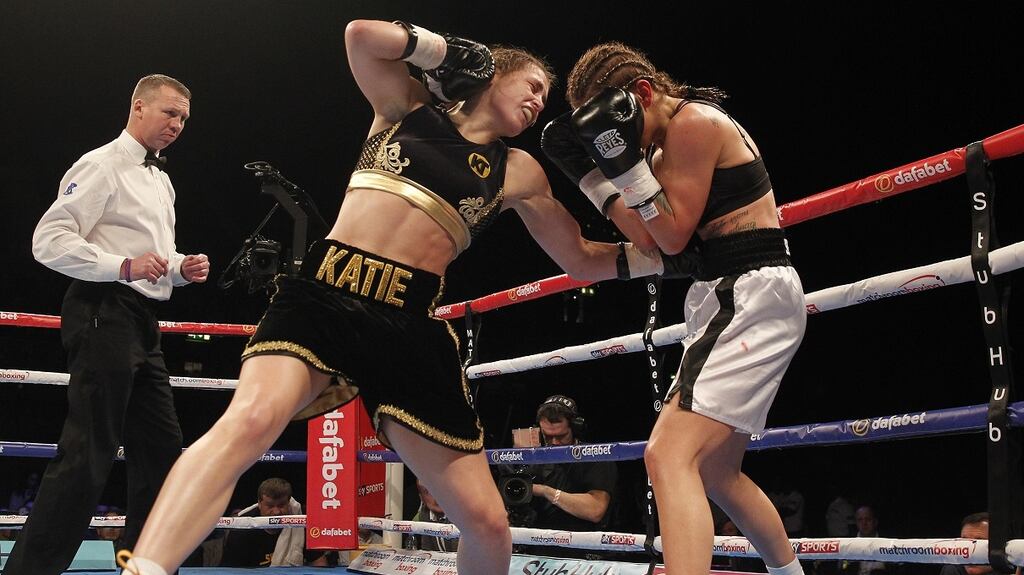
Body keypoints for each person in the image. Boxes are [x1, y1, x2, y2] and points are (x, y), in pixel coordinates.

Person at [118, 20, 688, 575]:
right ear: (494, 74)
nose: (541, 100)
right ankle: (146, 566)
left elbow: (581, 258)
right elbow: (360, 36)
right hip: (326, 295)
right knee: (248, 422)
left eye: (545, 95)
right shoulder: (408, 109)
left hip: (410, 327)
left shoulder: (519, 171)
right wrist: (445, 51)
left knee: (488, 523)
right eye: (533, 85)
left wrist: (665, 256)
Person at [541, 42, 807, 575]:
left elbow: (674, 230)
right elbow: (651, 236)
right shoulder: (660, 153)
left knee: (666, 454)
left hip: (746, 289)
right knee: (715, 471)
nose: (615, 144)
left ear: (642, 93)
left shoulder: (695, 124)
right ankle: (789, 572)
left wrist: (622, 168)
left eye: (613, 131)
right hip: (725, 292)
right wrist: (593, 176)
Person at [4, 74, 208, 575]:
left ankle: (144, 566)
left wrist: (179, 267)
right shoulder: (102, 164)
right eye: (169, 113)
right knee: (89, 452)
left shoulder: (161, 179)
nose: (177, 124)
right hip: (101, 309)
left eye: (183, 117)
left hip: (141, 319)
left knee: (162, 450)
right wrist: (121, 266)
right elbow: (48, 239)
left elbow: (151, 258)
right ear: (138, 108)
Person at [525, 395, 616, 559]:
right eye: (547, 437)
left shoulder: (596, 456)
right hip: (538, 551)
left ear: (575, 428)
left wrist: (546, 491)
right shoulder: (534, 459)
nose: (554, 443)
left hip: (581, 552)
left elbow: (596, 509)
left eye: (560, 437)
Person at [219, 478, 305, 567]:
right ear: (259, 503)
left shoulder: (301, 522)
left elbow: (317, 562)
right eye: (270, 506)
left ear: (289, 503)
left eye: (281, 505)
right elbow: (231, 570)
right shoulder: (242, 528)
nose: (276, 512)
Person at [411, 478, 459, 552]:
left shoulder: (459, 515)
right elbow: (427, 551)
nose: (437, 497)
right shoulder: (425, 514)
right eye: (427, 492)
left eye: (440, 490)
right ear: (422, 498)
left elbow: (458, 555)